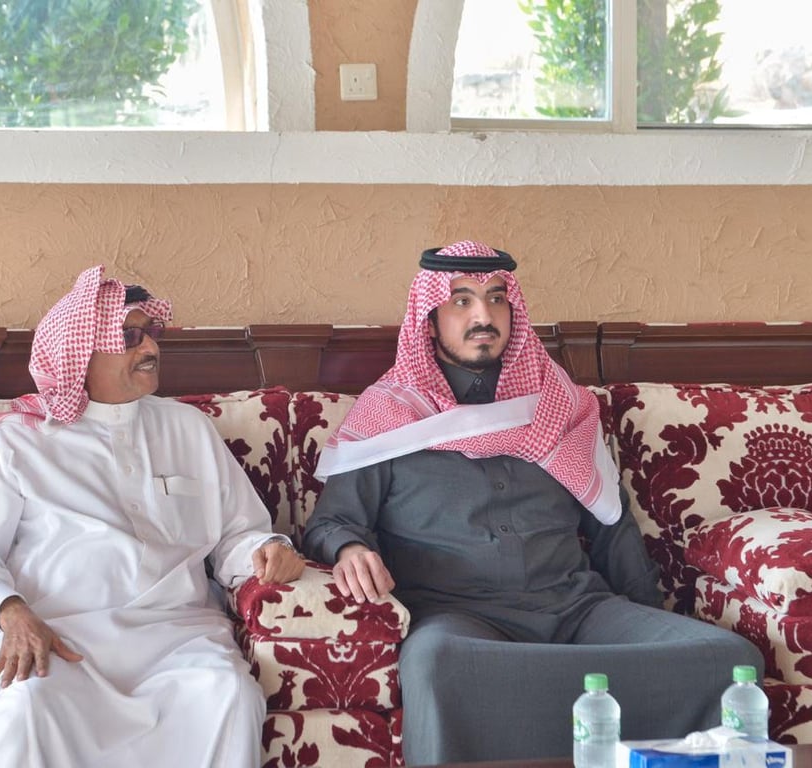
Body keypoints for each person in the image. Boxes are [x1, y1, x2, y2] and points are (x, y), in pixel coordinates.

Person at [301, 240, 763, 766]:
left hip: (577, 609)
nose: (483, 316)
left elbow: (610, 522)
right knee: (437, 665)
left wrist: (648, 620)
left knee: (731, 661)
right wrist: (349, 549)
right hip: (460, 618)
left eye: (497, 298)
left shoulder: (559, 404)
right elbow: (331, 523)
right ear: (428, 320)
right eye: (461, 301)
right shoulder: (390, 415)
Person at [0, 265, 305, 768]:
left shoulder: (188, 428)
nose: (151, 348)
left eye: (151, 333)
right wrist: (9, 612)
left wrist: (269, 550)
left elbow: (238, 535)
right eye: (130, 336)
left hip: (176, 639)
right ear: (80, 355)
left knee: (228, 694)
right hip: (57, 638)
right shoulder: (20, 442)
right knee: (31, 704)